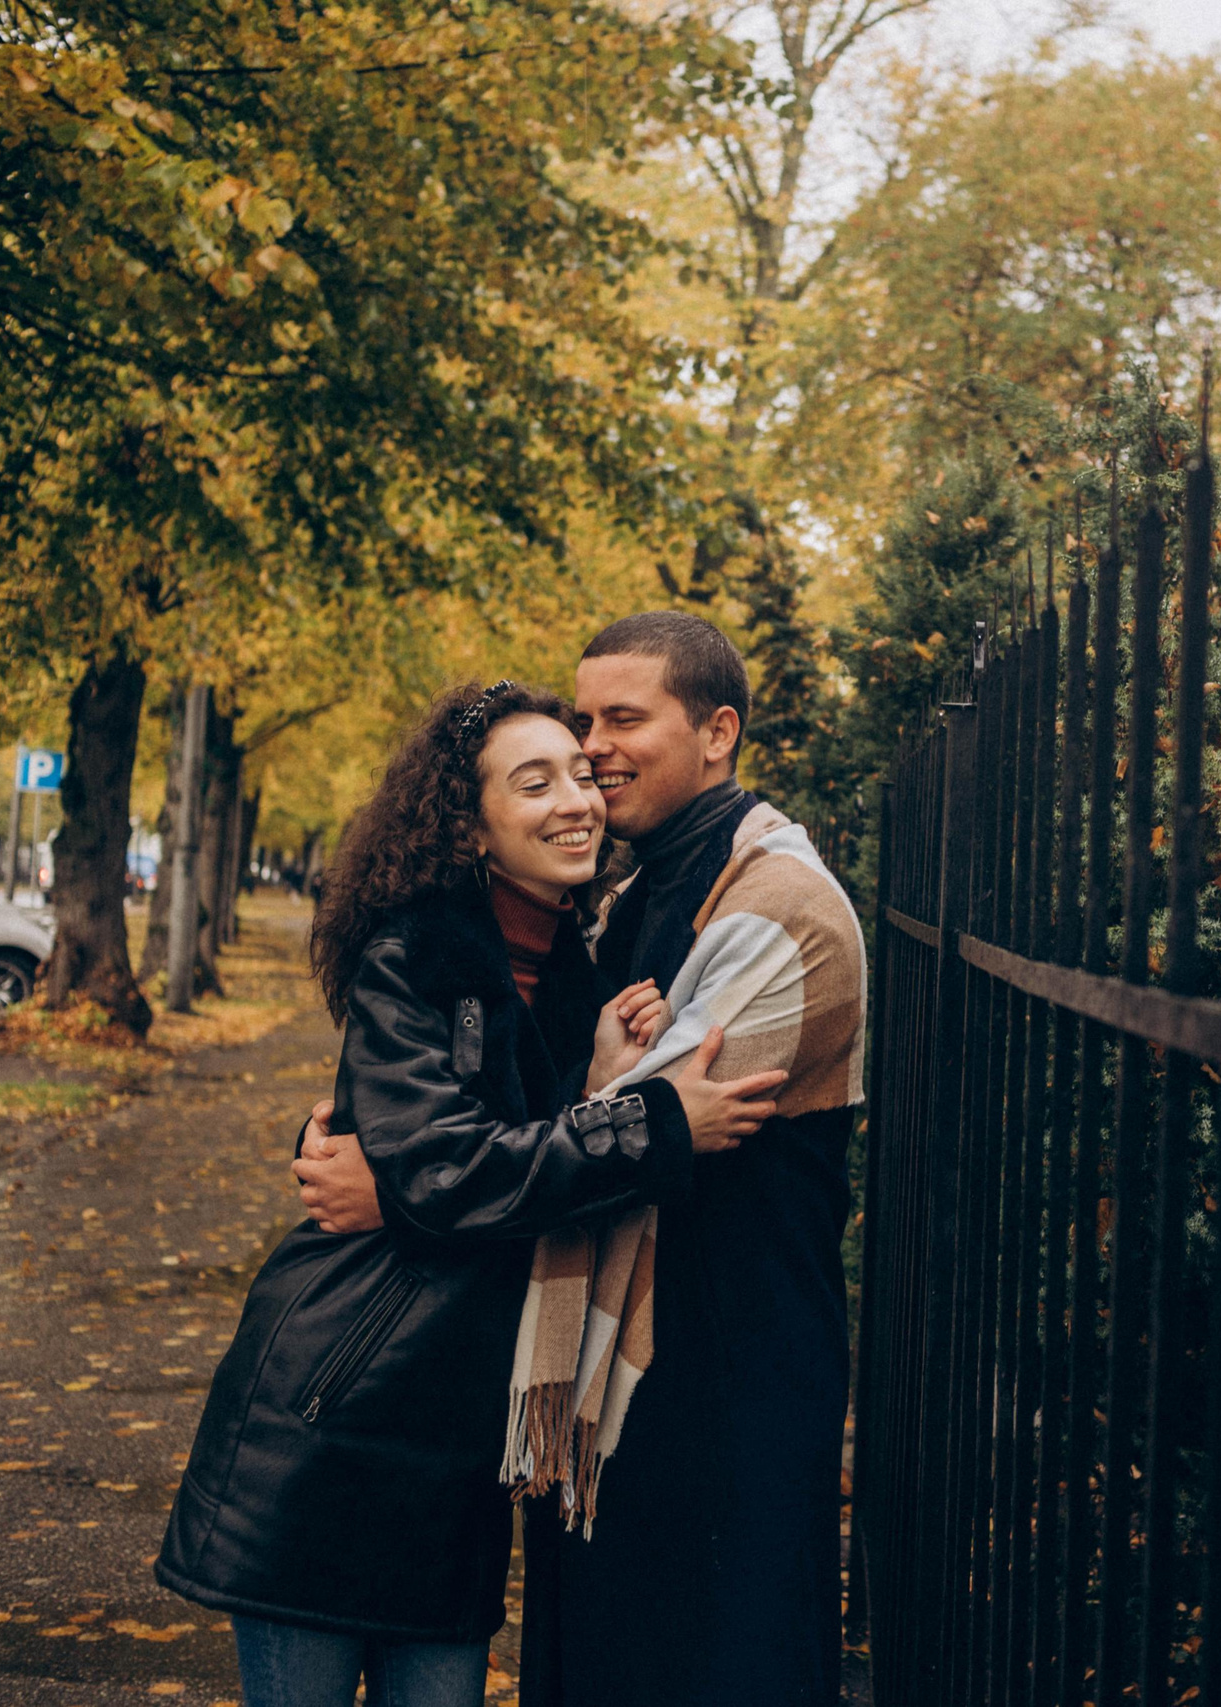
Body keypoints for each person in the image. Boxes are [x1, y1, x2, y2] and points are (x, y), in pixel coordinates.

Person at [158, 681, 788, 1707]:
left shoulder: (583, 966)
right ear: (473, 827)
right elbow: (454, 1171)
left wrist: (589, 1087)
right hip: (336, 1423)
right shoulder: (418, 954)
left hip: (457, 1469)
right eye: (533, 783)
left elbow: (487, 1164)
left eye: (581, 775)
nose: (575, 799)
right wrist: (654, 1122)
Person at [295, 614, 867, 1706]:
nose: (594, 748)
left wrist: (402, 1188)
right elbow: (520, 1111)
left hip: (724, 1389)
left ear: (717, 732)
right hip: (614, 1398)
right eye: (579, 721)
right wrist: (386, 1143)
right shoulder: (617, 904)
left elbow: (642, 1125)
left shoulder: (779, 912)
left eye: (621, 720)